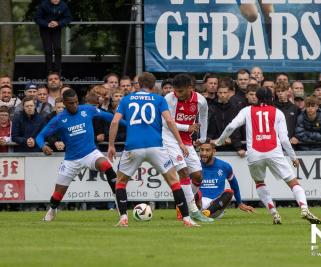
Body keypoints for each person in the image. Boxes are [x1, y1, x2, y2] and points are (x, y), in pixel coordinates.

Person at [213, 88, 321, 225]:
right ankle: (304, 208)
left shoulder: (247, 110)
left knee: (259, 182)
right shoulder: (278, 112)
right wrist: (293, 157)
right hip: (274, 151)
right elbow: (284, 140)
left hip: (254, 153)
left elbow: (231, 126)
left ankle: (273, 212)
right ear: (271, 97)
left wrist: (220, 141)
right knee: (293, 183)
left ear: (256, 97)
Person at [107, 72, 198, 227]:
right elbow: (169, 120)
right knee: (174, 182)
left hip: (133, 146)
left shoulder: (127, 99)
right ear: (154, 85)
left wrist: (111, 145)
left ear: (138, 84)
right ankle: (187, 219)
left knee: (121, 182)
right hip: (156, 146)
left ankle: (123, 218)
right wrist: (181, 143)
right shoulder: (159, 99)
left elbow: (115, 121)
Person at [36, 89, 121, 222]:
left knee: (107, 166)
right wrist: (43, 146)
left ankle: (119, 201)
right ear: (64, 103)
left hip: (90, 153)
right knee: (58, 194)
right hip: (71, 159)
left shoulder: (87, 109)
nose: (75, 105)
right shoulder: (59, 119)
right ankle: (52, 210)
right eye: (71, 103)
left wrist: (129, 125)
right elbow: (40, 136)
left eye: (76, 102)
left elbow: (110, 117)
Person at [163, 74, 214, 223]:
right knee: (184, 172)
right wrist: (188, 127)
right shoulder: (169, 99)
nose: (177, 94)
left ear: (190, 88)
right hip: (169, 138)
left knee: (198, 176)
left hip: (187, 140)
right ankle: (192, 210)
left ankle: (183, 203)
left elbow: (203, 117)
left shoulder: (200, 100)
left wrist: (203, 138)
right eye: (175, 91)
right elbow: (168, 123)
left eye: (180, 91)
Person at [196, 141, 255, 218]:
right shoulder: (194, 166)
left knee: (229, 193)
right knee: (190, 190)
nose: (204, 153)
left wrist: (240, 203)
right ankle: (188, 212)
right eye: (202, 150)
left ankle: (207, 213)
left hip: (216, 207)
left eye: (207, 150)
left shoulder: (224, 166)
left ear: (214, 152)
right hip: (198, 205)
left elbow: (234, 185)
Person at [34, 0, 72, 73]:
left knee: (57, 48)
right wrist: (46, 24)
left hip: (56, 29)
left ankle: (58, 70)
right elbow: (37, 18)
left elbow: (68, 18)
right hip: (45, 29)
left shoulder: (63, 5)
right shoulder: (44, 4)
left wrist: (58, 23)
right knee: (48, 50)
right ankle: (49, 70)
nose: (55, 0)